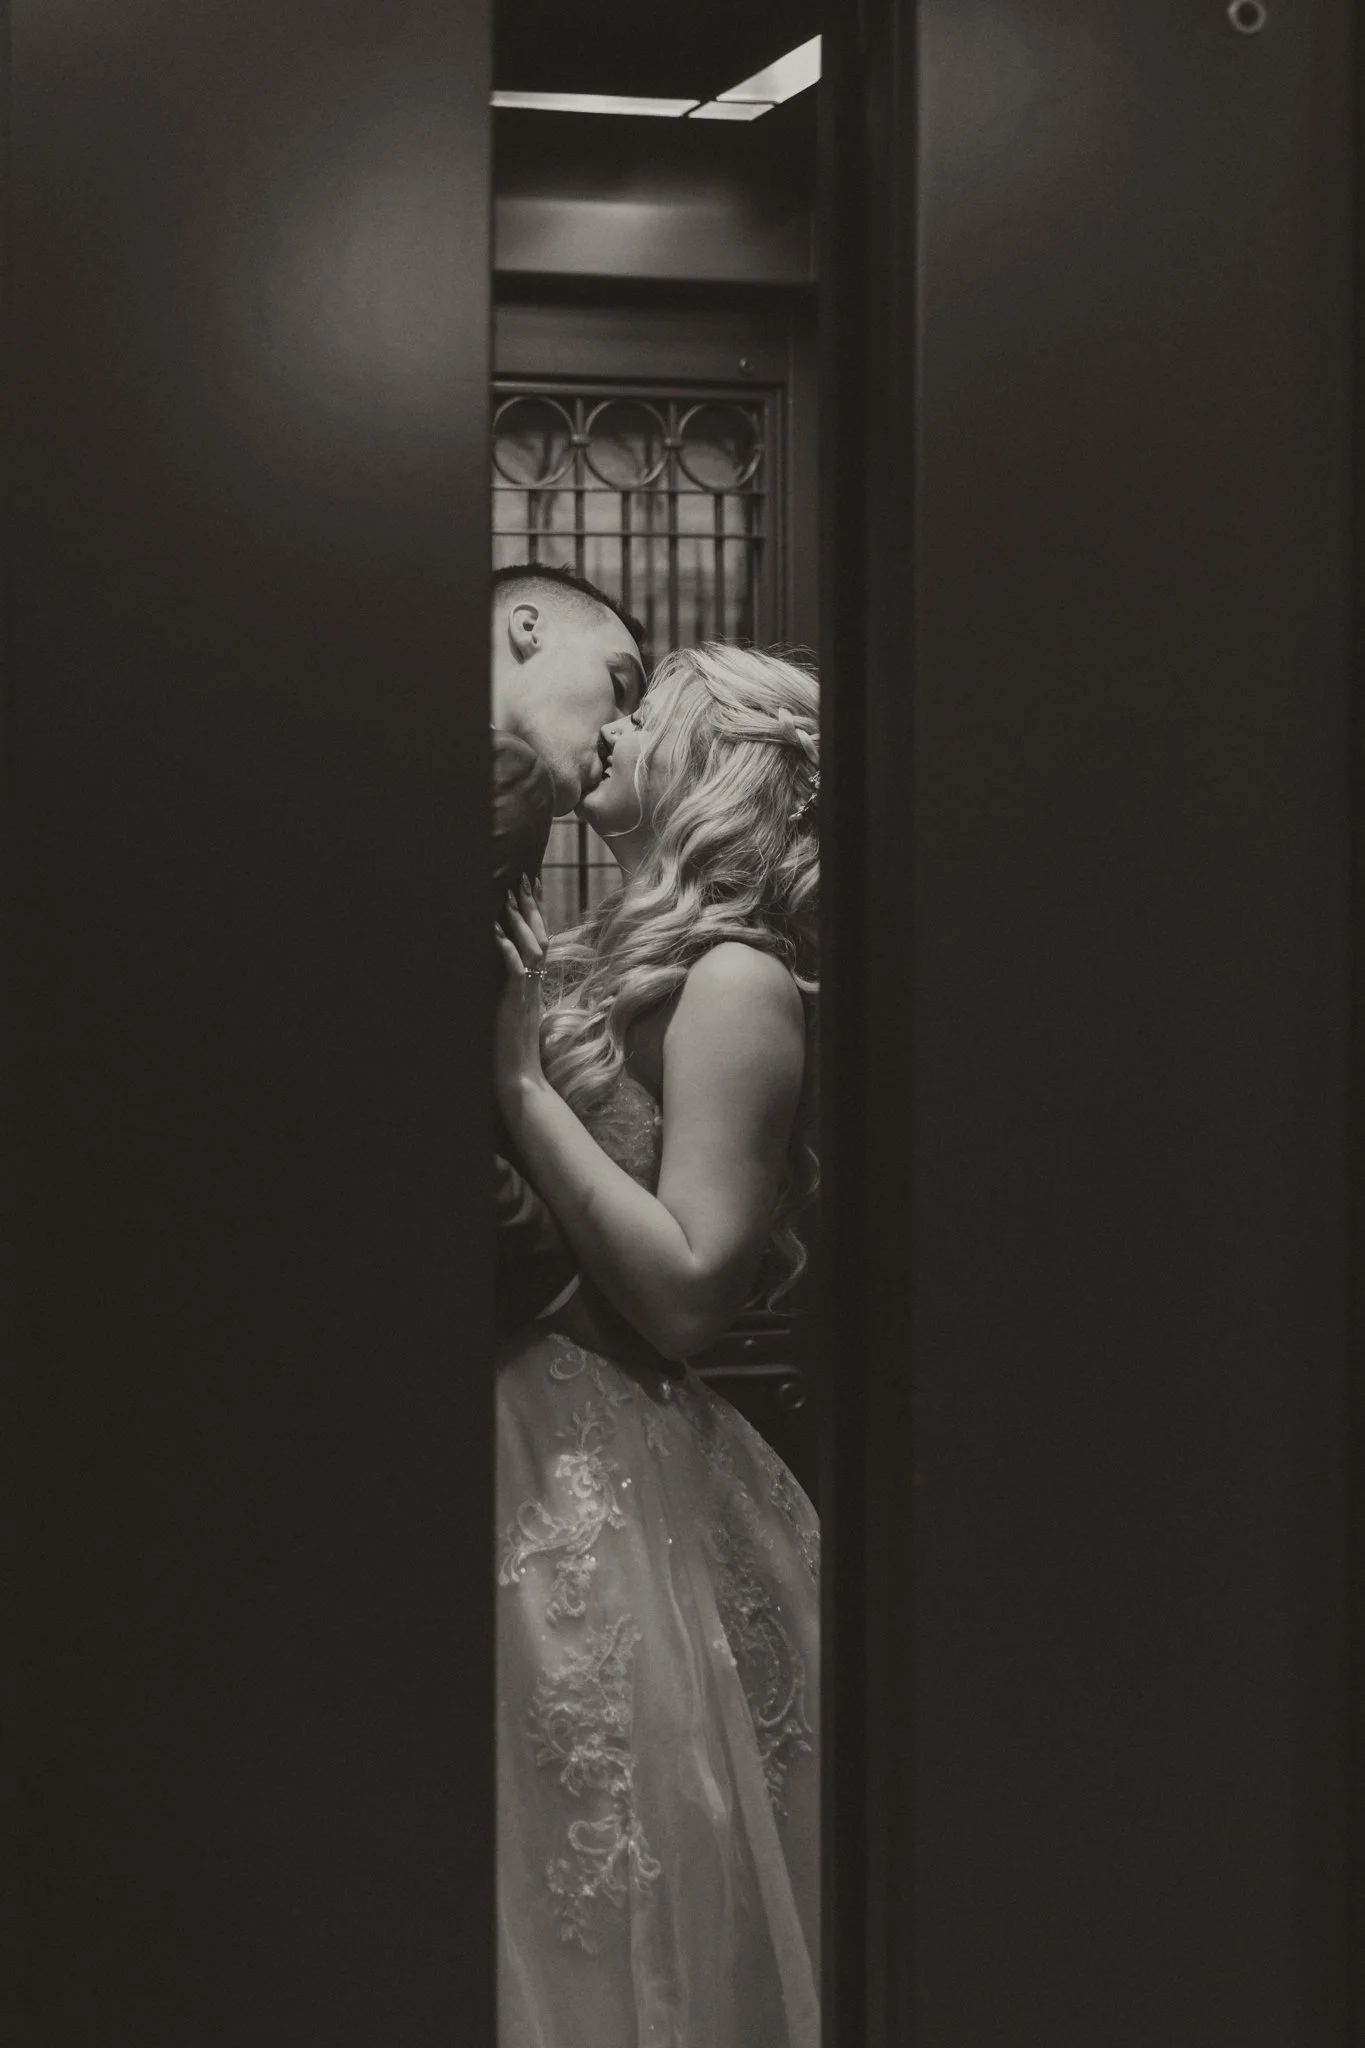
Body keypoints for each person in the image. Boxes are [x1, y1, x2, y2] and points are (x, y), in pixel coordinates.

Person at [494, 642, 821, 2048]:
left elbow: (690, 1291)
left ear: (718, 765)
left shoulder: (739, 980)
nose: (617, 726)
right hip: (518, 1444)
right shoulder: (588, 946)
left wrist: (518, 1085)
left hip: (607, 1459)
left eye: (651, 709)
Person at [490, 563, 647, 1338]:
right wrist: (552, 1281)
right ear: (528, 629)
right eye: (618, 685)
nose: (618, 731)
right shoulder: (507, 779)